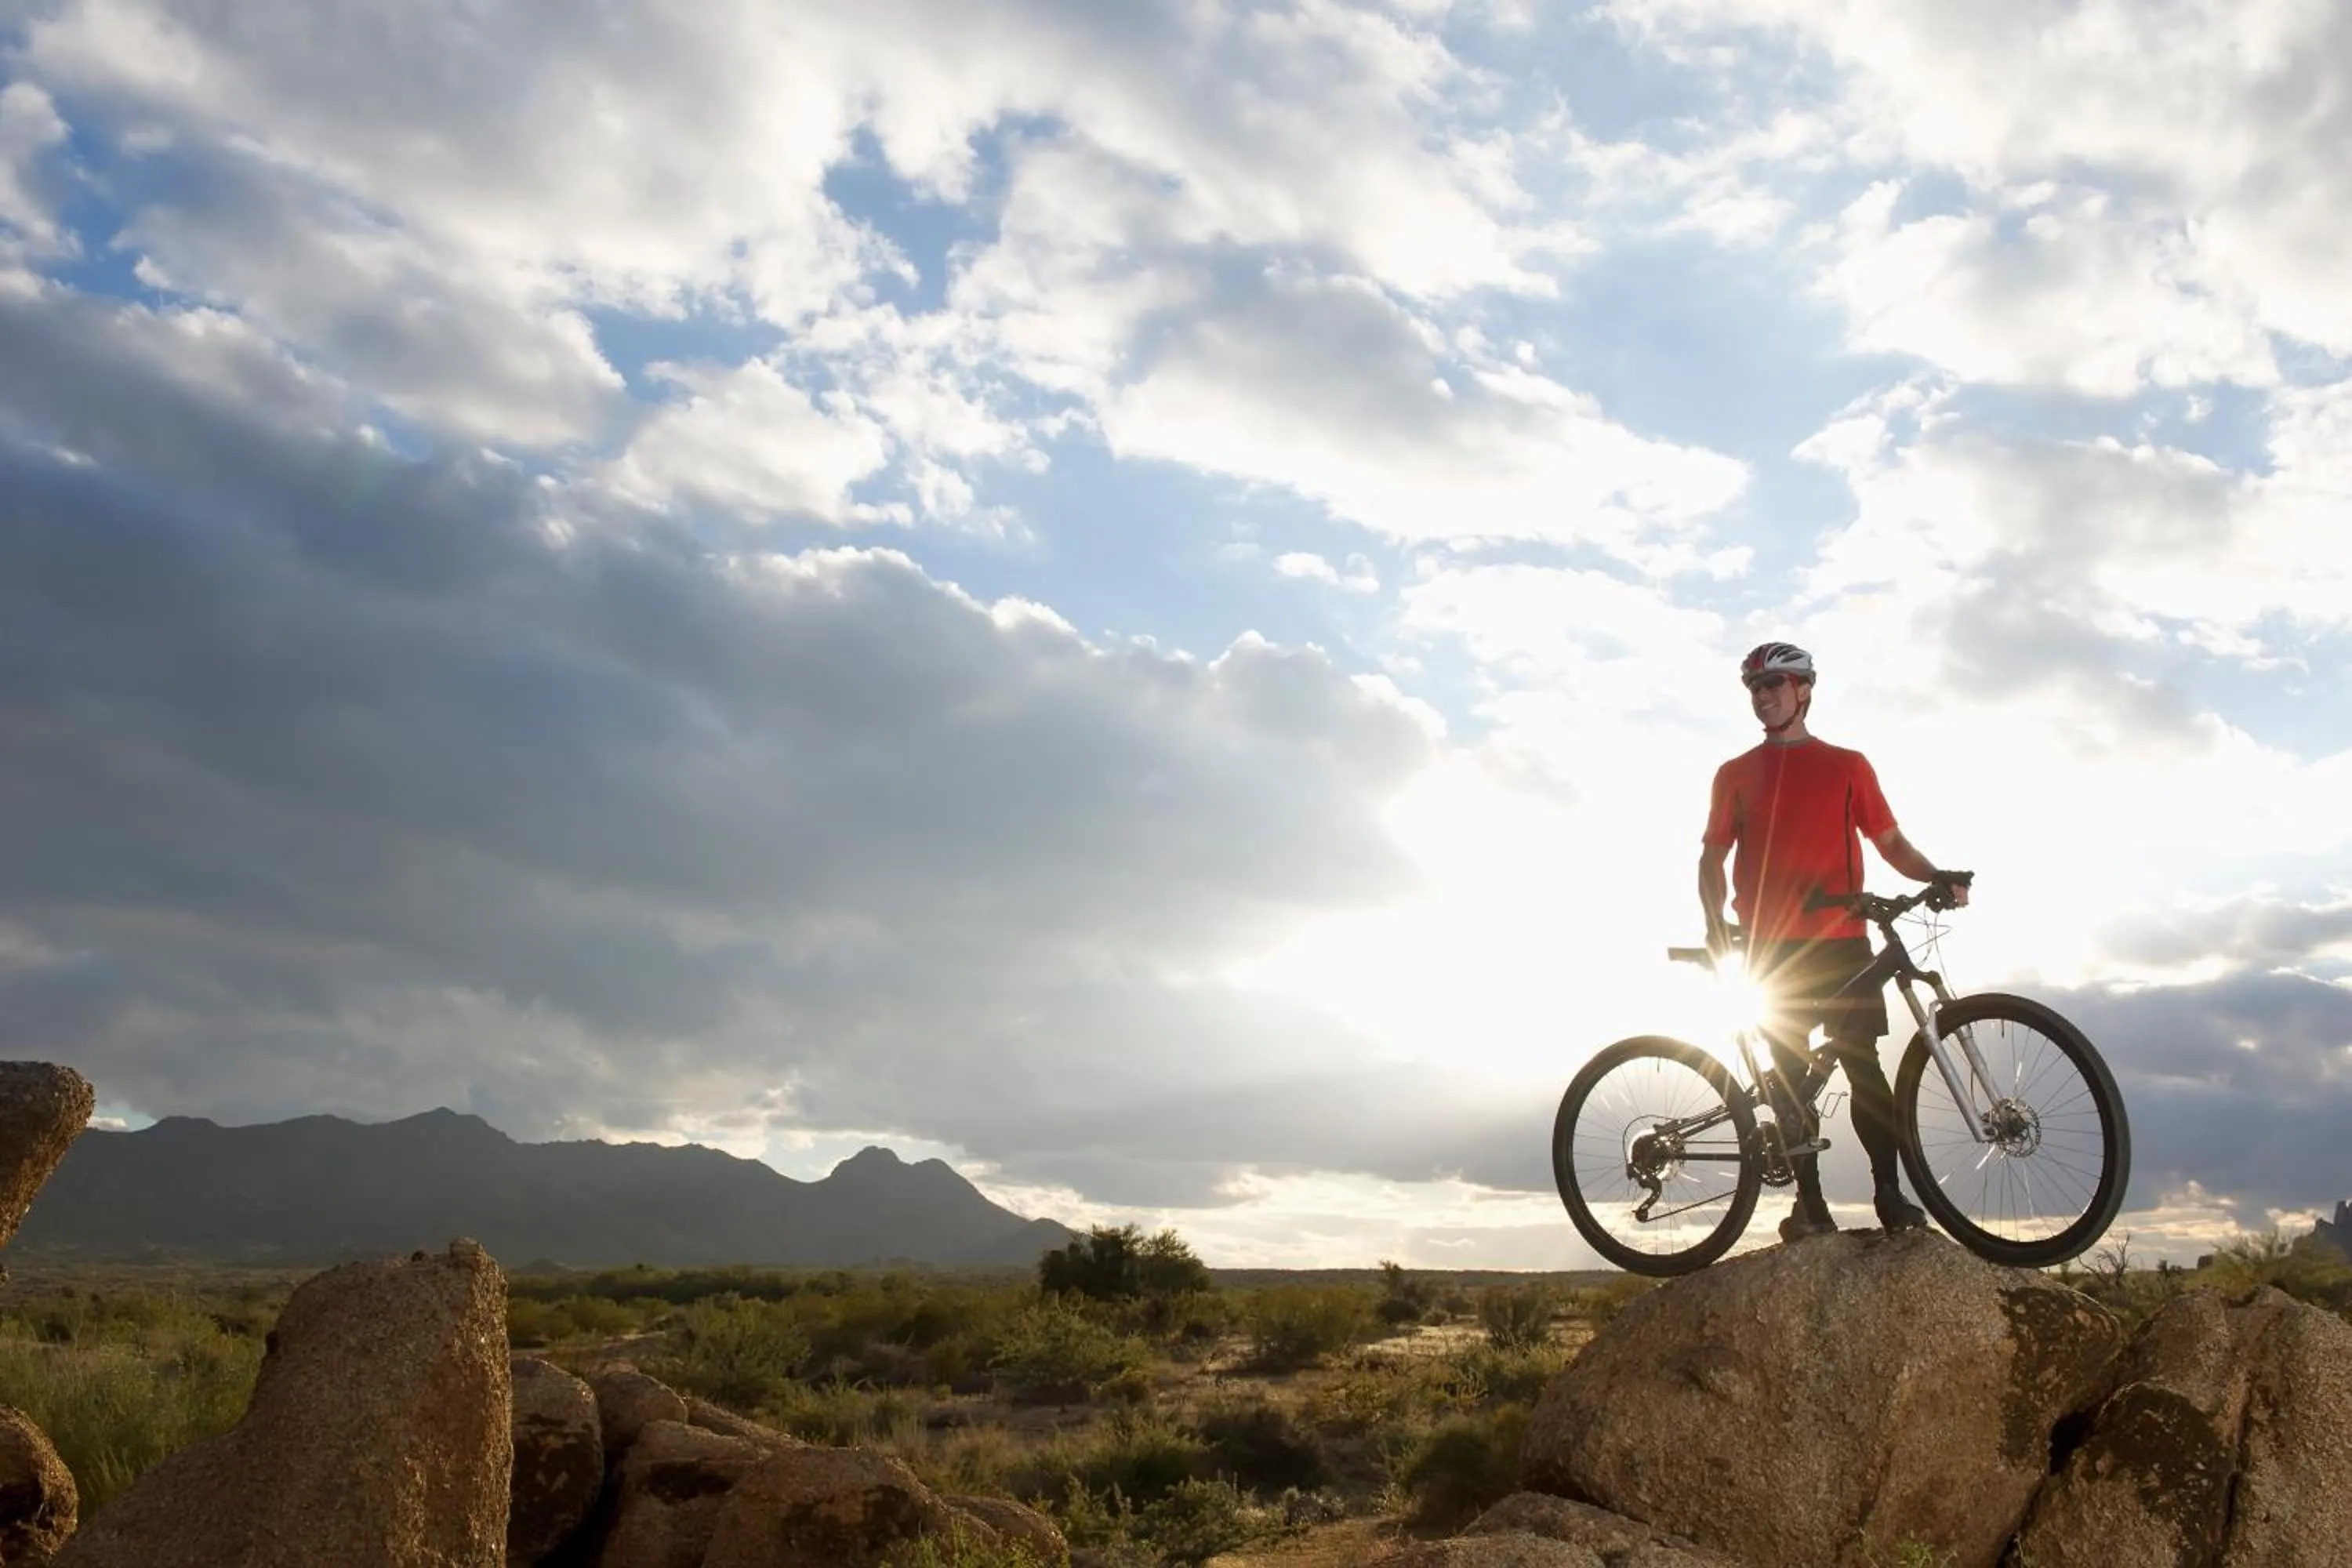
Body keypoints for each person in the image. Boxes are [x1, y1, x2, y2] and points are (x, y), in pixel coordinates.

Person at [1697, 641, 1969, 1242]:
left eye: (1775, 686)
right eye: (1755, 689)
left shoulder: (1849, 766)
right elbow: (1713, 859)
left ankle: (1889, 1196)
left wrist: (1937, 876)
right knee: (1792, 1075)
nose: (1764, 697)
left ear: (1804, 691)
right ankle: (1810, 1205)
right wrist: (1716, 927)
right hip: (1772, 949)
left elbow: (1891, 843)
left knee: (1863, 1064)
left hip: (1842, 939)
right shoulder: (1734, 774)